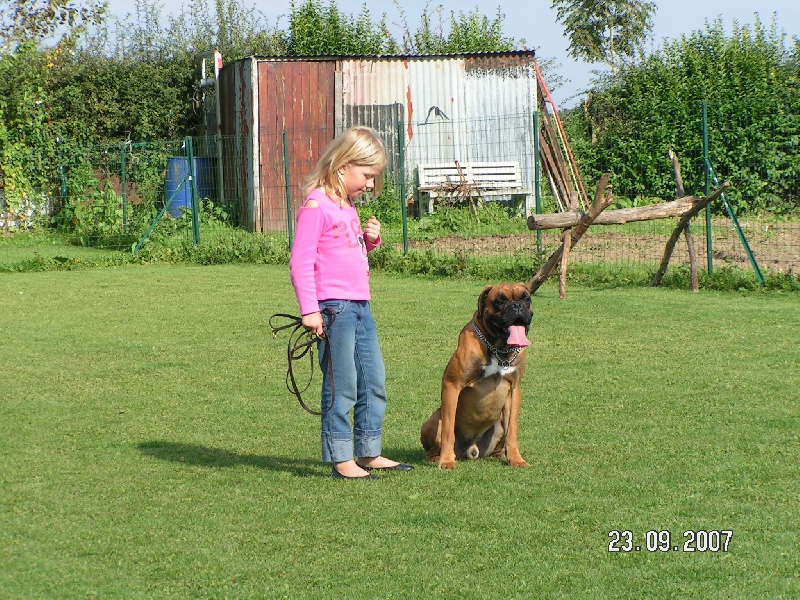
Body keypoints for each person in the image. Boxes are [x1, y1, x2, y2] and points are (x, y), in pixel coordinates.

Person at [288, 126, 413, 480]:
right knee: (341, 385)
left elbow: (346, 252)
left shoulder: (347, 206)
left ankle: (369, 451)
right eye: (367, 175)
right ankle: (342, 459)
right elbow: (300, 262)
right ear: (343, 166)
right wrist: (309, 310)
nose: (371, 184)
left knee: (373, 381)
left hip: (360, 306)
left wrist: (370, 241)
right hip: (334, 310)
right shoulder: (317, 205)